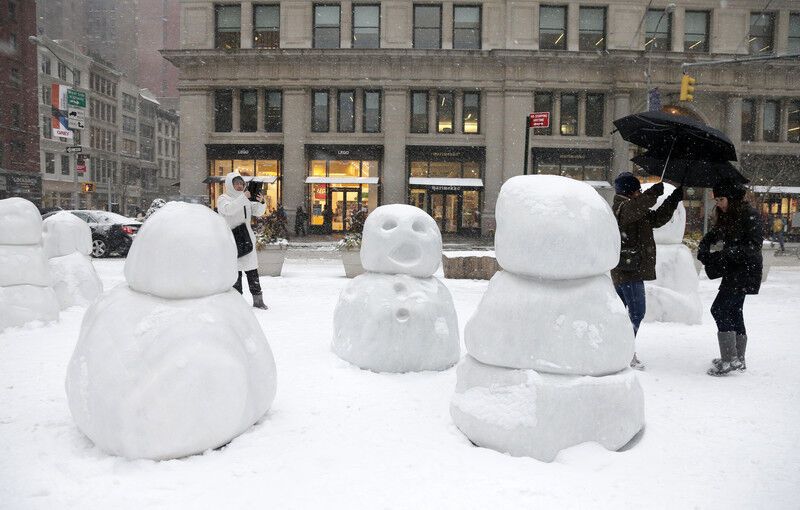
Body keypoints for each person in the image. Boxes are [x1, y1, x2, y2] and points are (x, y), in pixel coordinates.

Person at [610, 172, 684, 370]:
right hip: (627, 270)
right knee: (636, 312)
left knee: (623, 313)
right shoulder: (620, 207)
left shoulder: (634, 207)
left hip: (629, 269)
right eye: (638, 190)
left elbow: (657, 218)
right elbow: (636, 208)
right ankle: (625, 352)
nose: (640, 194)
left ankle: (617, 349)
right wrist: (653, 193)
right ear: (630, 191)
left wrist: (673, 199)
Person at [698, 180, 763, 376]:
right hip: (736, 270)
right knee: (734, 310)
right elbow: (716, 234)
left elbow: (753, 246)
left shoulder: (749, 215)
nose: (719, 203)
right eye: (716, 199)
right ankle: (737, 358)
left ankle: (729, 360)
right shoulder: (730, 215)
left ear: (732, 198)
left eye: (722, 199)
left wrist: (727, 254)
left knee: (718, 309)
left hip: (745, 271)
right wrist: (705, 243)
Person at [217, 172, 268, 310]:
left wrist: (261, 201)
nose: (239, 186)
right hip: (232, 239)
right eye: (236, 183)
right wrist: (243, 198)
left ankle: (258, 300)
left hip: (247, 239)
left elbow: (257, 211)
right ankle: (237, 301)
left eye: (241, 183)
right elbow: (228, 210)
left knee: (252, 271)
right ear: (230, 185)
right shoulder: (223, 198)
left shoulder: (245, 198)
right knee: (236, 273)